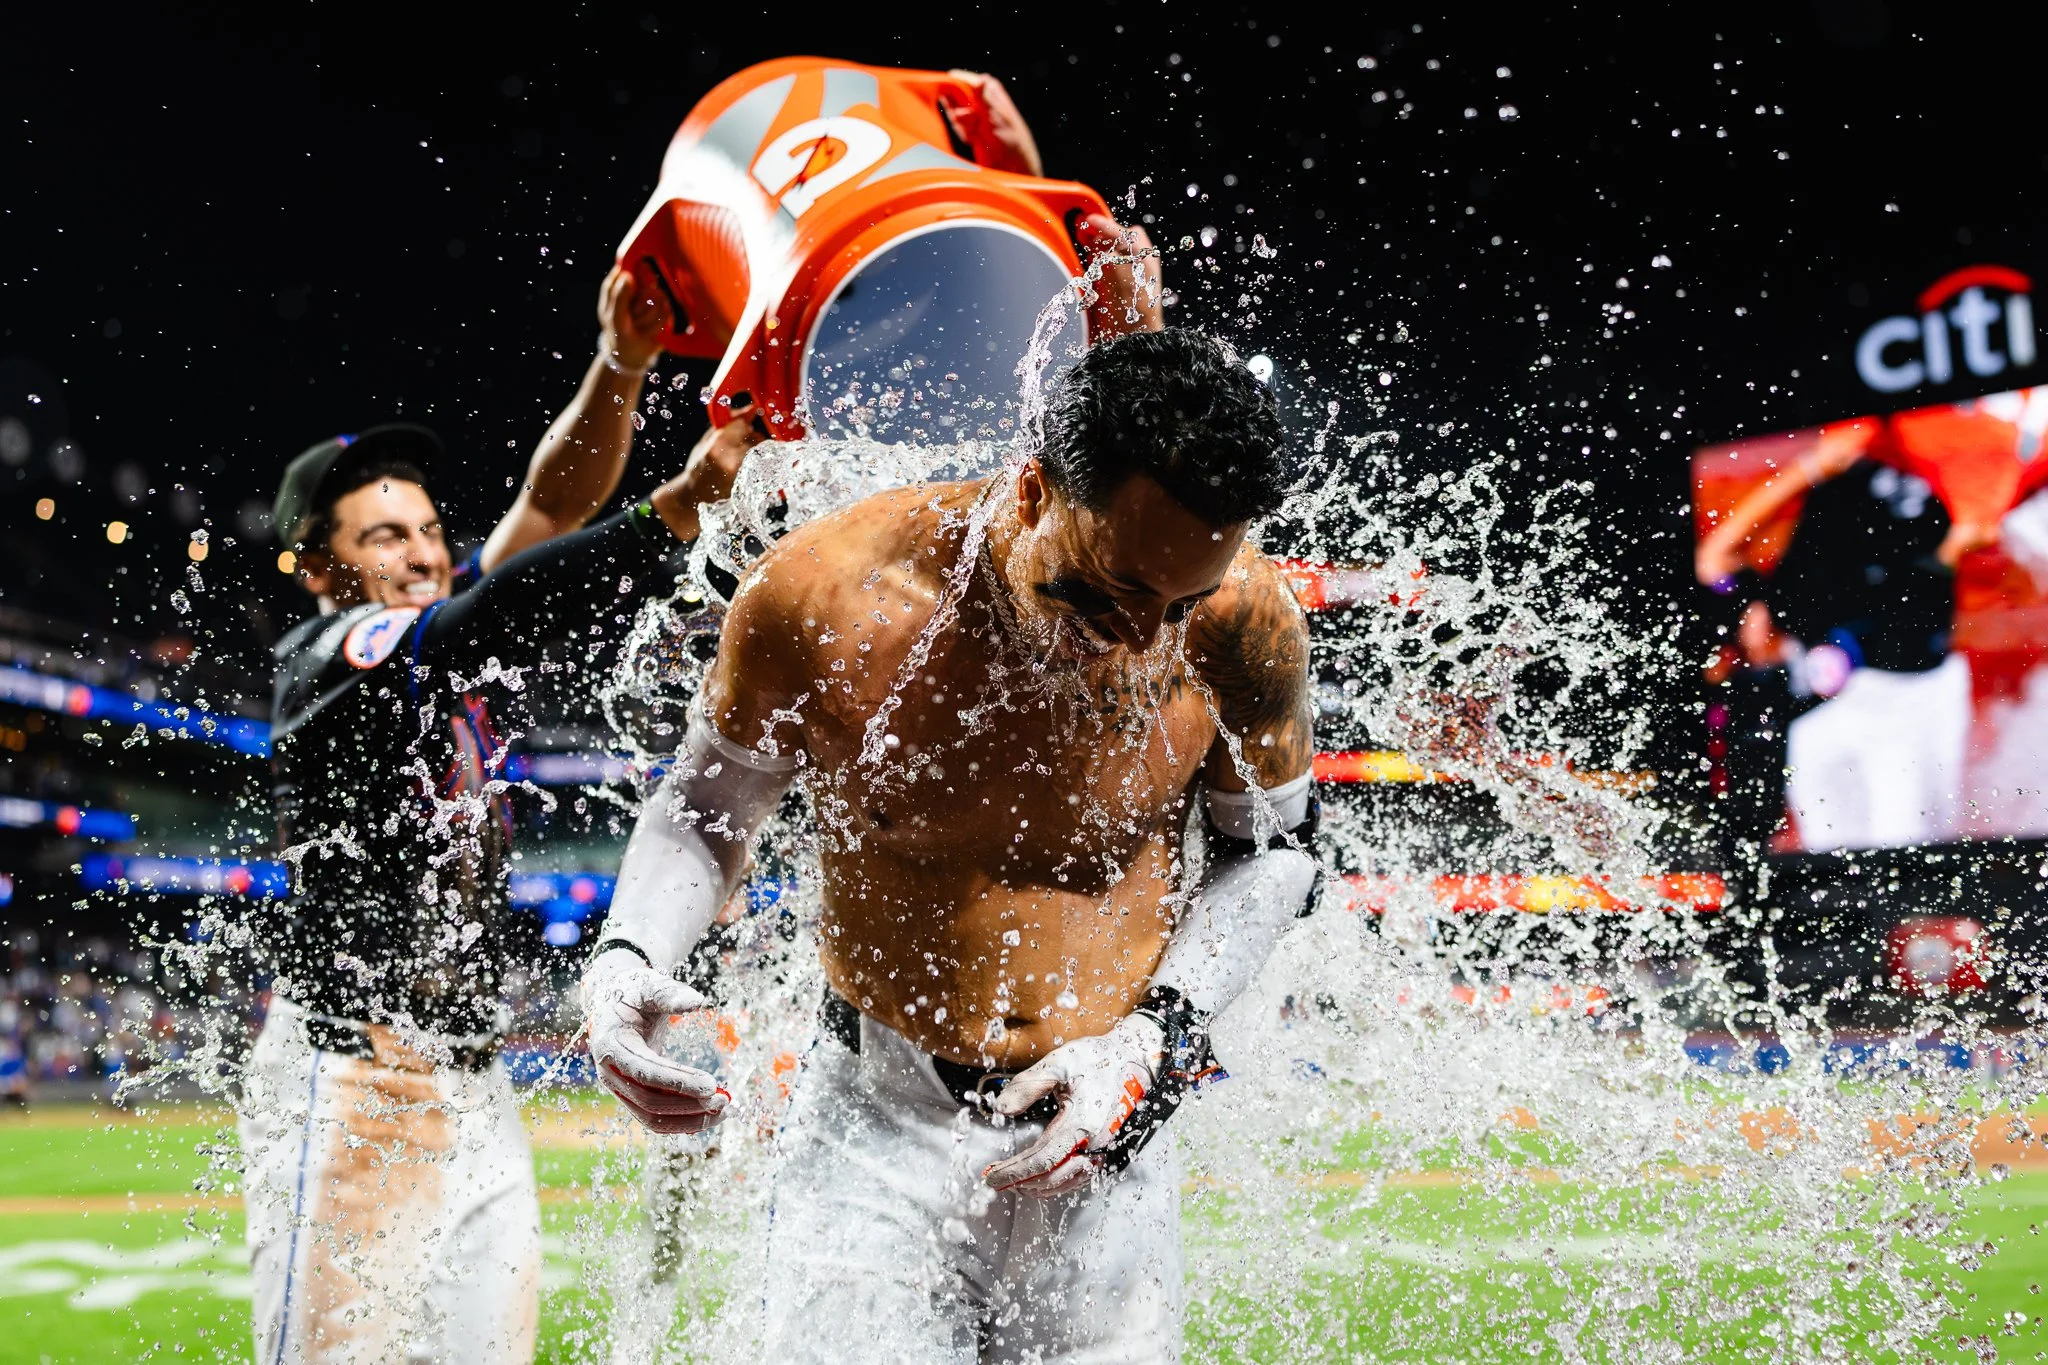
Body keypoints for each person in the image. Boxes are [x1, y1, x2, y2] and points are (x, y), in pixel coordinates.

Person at [581, 327, 1318, 1362]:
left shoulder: (1243, 623)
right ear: (1029, 494)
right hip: (876, 1127)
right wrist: (625, 960)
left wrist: (1155, 1038)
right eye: (1106, 590)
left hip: (1102, 1132)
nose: (1143, 640)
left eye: (1177, 603)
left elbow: (1276, 853)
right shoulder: (828, 594)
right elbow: (708, 807)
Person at [238, 265, 765, 1365]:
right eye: (382, 536)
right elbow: (507, 601)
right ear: (317, 568)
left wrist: (618, 365)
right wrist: (676, 507)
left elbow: (551, 506)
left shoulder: (436, 635)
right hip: (353, 1079)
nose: (422, 551)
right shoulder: (324, 661)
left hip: (473, 1083)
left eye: (429, 529)